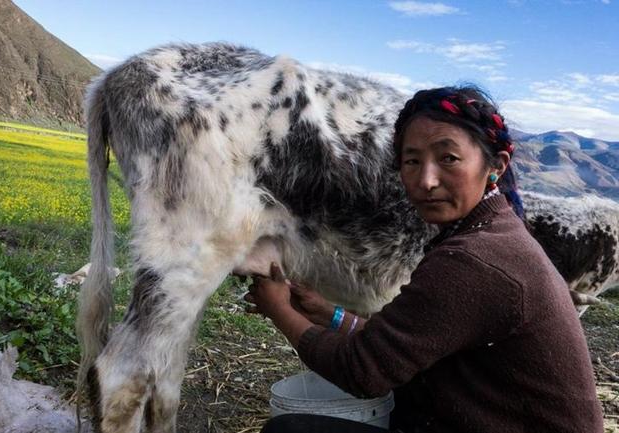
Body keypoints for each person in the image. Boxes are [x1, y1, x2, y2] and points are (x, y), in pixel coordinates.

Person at [245, 86, 604, 433]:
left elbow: (362, 370)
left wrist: (279, 309)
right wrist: (328, 313)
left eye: (448, 158)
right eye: (412, 161)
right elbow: (400, 343)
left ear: (495, 166)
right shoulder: (492, 232)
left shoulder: (475, 261)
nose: (426, 180)